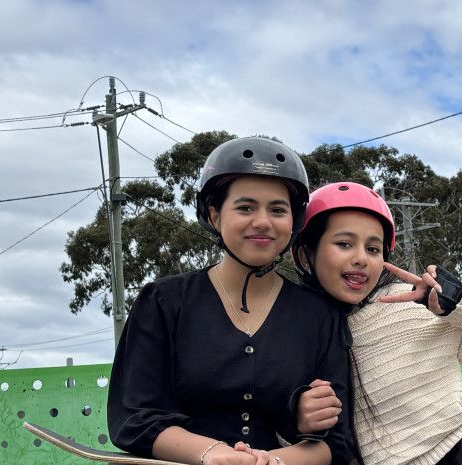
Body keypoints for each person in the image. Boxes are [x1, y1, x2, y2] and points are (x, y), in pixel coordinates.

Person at [108, 138, 354, 465]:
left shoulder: (320, 315)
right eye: (245, 207)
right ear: (214, 215)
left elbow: (336, 444)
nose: (263, 222)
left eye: (278, 210)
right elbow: (133, 416)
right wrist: (212, 453)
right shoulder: (163, 303)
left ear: (293, 222)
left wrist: (272, 461)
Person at [291, 182, 462, 465]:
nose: (360, 258)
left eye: (373, 249)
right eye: (344, 244)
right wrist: (298, 420)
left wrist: (459, 301)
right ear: (305, 254)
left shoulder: (411, 303)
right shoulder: (295, 330)